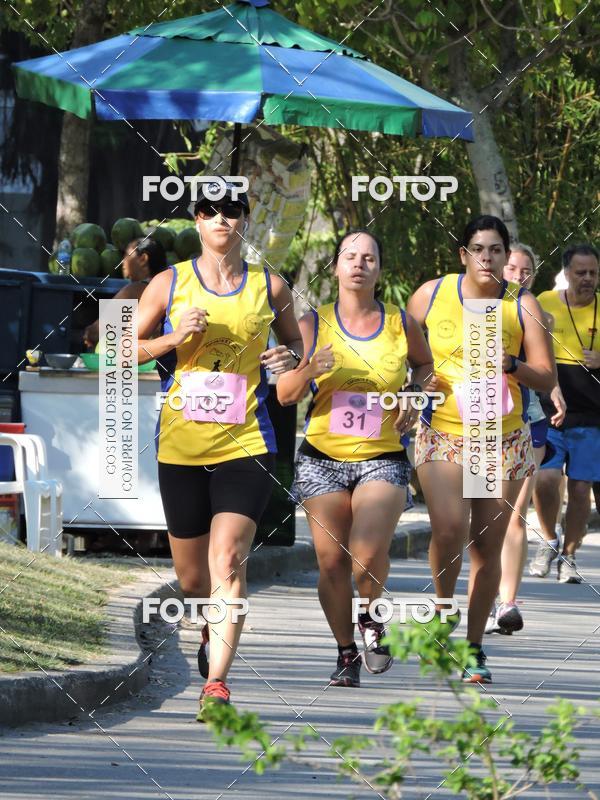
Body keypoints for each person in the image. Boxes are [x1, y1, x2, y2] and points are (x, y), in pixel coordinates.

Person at [136, 179, 303, 719]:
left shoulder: (269, 286)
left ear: (245, 219)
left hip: (246, 442)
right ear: (197, 220)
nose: (221, 219)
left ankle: (216, 684)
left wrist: (287, 358)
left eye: (231, 210)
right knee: (193, 581)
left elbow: (296, 343)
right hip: (181, 446)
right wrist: (171, 339)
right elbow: (119, 348)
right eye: (210, 210)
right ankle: (210, 624)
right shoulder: (169, 282)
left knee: (227, 559)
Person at [277, 230, 434, 688]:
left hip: (382, 456)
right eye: (350, 256)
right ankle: (346, 651)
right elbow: (285, 394)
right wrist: (310, 367)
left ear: (379, 269)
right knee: (331, 563)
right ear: (336, 267)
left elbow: (425, 366)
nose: (359, 264)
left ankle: (371, 615)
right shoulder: (312, 324)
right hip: (322, 458)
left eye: (369, 257)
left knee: (365, 554)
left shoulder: (400, 323)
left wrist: (414, 392)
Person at [407, 216, 556, 683]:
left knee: (487, 545)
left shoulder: (522, 304)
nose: (486, 258)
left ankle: (473, 647)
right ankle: (441, 611)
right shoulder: (431, 295)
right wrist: (420, 381)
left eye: (495, 250)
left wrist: (511, 364)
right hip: (443, 432)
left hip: (499, 438)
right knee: (449, 528)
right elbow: (406, 359)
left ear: (506, 256)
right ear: (463, 254)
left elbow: (546, 376)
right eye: (478, 249)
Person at [485, 245, 565, 635]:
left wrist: (556, 392)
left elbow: (546, 369)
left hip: (528, 419)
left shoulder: (536, 314)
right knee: (485, 513)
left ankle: (508, 603)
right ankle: (484, 596)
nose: (518, 275)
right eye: (512, 268)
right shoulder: (474, 307)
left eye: (526, 270)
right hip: (480, 421)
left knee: (514, 512)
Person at [530, 244, 600, 583]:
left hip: (592, 417)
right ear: (566, 273)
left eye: (593, 273)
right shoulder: (544, 302)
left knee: (581, 488)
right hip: (551, 411)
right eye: (580, 272)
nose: (587, 279)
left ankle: (569, 555)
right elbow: (527, 348)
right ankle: (548, 539)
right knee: (546, 479)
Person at [83, 237, 167, 348]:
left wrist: (88, 333)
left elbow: (97, 331)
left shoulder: (135, 290)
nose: (122, 262)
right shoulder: (171, 285)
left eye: (127, 256)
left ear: (143, 259)